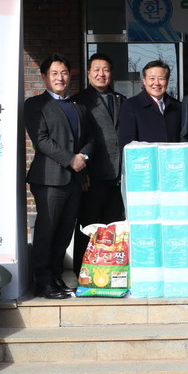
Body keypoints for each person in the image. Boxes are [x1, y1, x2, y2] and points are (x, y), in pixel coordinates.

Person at [25, 53, 94, 299]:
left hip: (74, 179)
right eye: (54, 73)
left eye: (64, 73)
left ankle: (55, 276)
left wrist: (83, 158)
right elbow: (41, 140)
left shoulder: (78, 106)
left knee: (65, 231)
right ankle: (43, 282)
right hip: (49, 179)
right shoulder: (35, 104)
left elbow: (90, 138)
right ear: (44, 77)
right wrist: (70, 159)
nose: (60, 78)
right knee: (47, 230)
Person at [70, 53, 126, 277]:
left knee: (115, 228)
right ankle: (82, 273)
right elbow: (77, 141)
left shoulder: (121, 99)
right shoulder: (79, 101)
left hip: (118, 176)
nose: (101, 74)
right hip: (92, 177)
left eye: (106, 70)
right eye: (96, 69)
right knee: (88, 227)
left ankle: (111, 273)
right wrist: (81, 174)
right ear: (88, 73)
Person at [118, 60, 182, 147]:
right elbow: (127, 143)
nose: (156, 83)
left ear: (167, 81)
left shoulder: (178, 106)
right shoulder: (131, 106)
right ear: (144, 81)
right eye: (152, 78)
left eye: (161, 78)